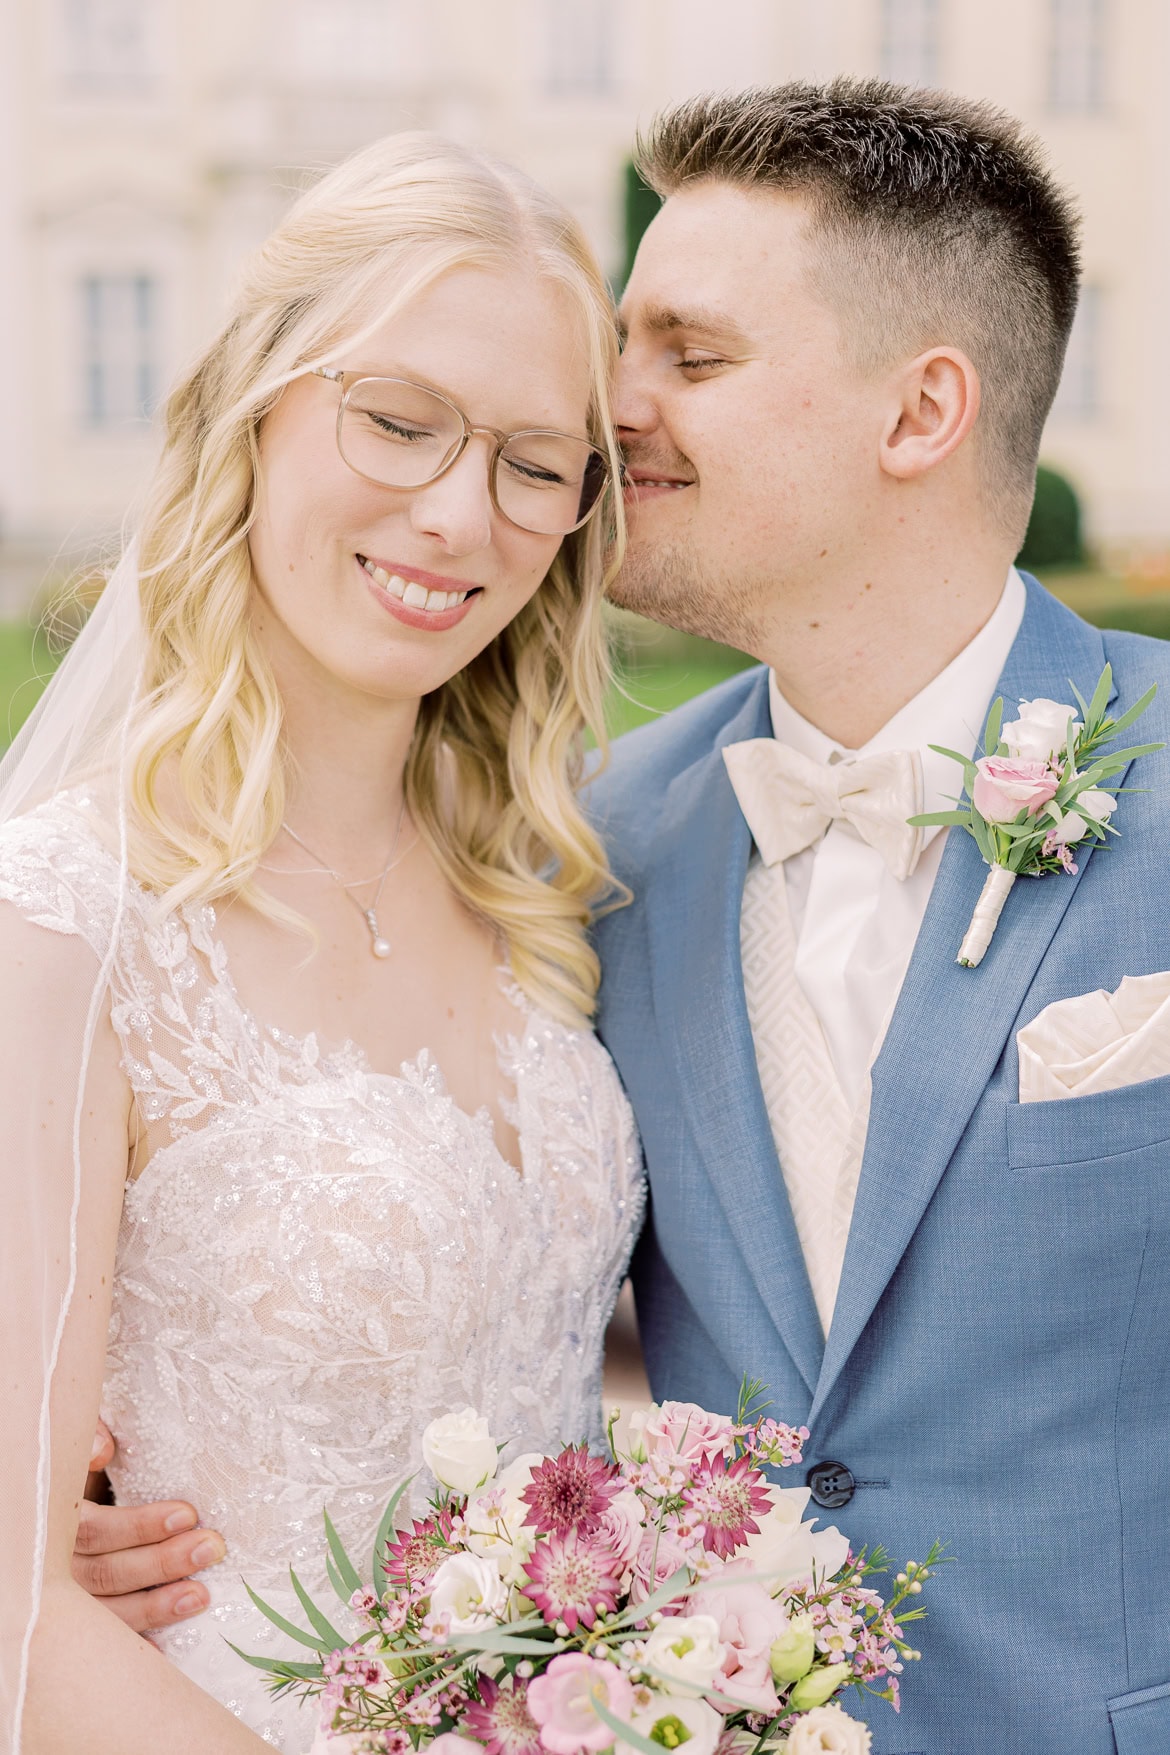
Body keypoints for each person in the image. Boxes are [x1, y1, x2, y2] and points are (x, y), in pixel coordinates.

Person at [69, 78, 1170, 1752]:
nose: (610, 415)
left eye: (691, 359)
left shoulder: (524, 862)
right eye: (619, 357)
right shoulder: (597, 849)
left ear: (919, 410)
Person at [0, 133, 642, 1754]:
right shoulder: (69, 916)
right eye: (399, 420)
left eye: (531, 459)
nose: (456, 515)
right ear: (255, 408)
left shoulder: (548, 884)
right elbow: (11, 1607)